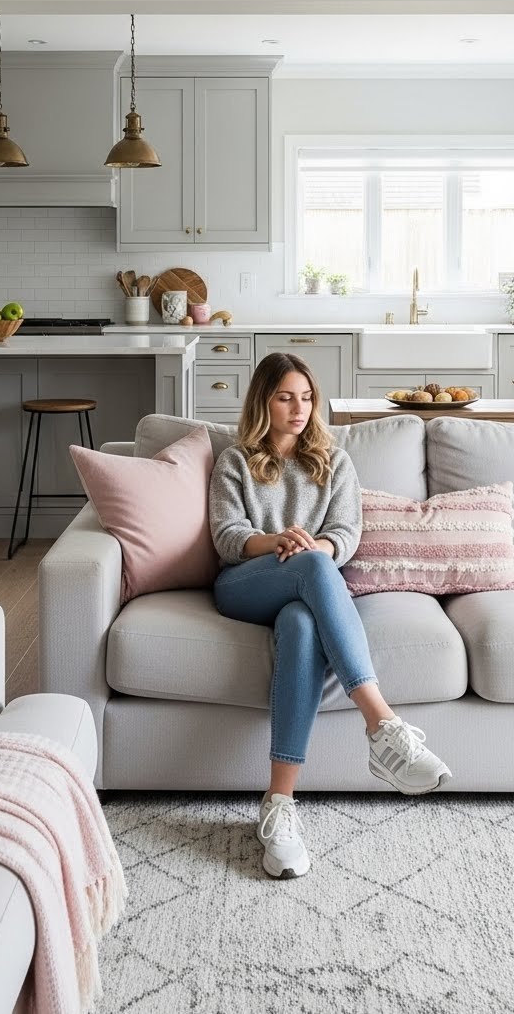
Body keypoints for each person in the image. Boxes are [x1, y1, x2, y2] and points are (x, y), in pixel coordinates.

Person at [209, 351, 452, 880]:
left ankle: (279, 805)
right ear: (263, 402)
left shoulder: (334, 459)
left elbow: (347, 534)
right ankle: (382, 725)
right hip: (245, 584)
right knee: (314, 566)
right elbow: (228, 538)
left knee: (302, 619)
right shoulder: (235, 461)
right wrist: (280, 542)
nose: (299, 408)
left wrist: (316, 546)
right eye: (284, 397)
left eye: (306, 397)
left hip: (306, 587)